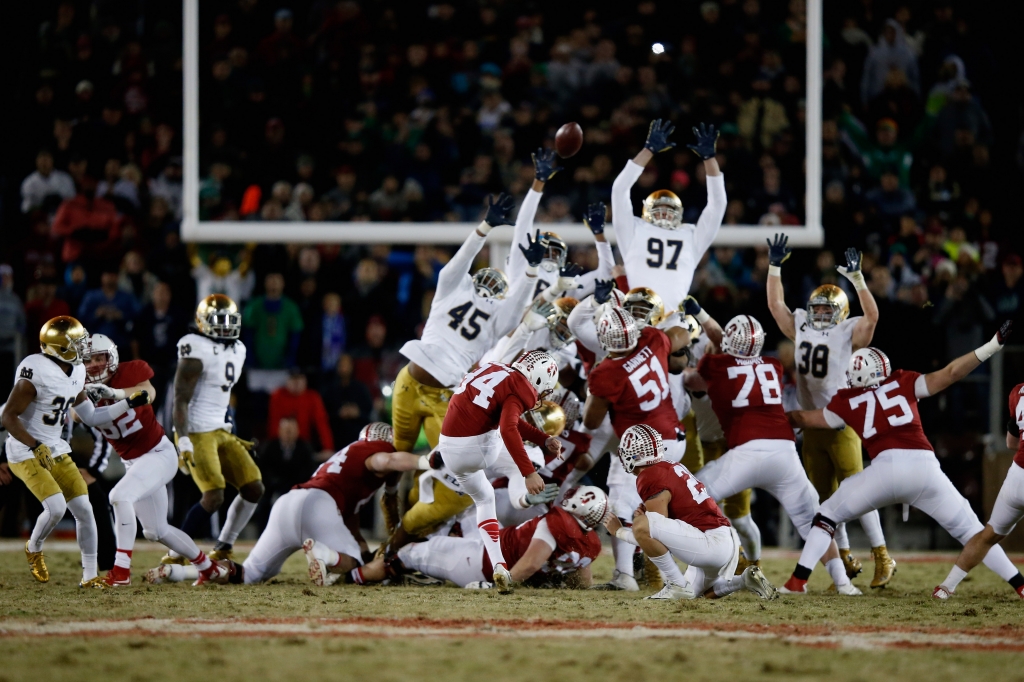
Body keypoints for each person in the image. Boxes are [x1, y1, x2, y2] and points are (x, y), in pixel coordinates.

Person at [782, 327, 1024, 598]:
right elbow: (951, 372)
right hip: (924, 468)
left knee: (827, 515)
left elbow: (803, 419)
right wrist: (991, 346)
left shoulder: (846, 400)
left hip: (885, 470)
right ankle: (1020, 585)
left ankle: (798, 580)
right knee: (975, 533)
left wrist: (773, 418)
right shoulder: (902, 381)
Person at [681, 300, 858, 595]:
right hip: (784, 452)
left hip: (746, 452)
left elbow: (693, 374)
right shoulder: (772, 366)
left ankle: (694, 573)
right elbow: (725, 342)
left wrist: (700, 320)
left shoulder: (717, 365)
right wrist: (702, 313)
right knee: (813, 520)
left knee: (693, 495)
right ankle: (843, 583)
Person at [765, 233, 894, 586]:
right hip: (812, 426)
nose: (821, 313)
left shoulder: (848, 330)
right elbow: (777, 307)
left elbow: (873, 316)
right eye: (818, 308)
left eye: (827, 309)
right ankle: (847, 553)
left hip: (840, 422)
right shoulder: (802, 324)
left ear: (840, 312)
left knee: (857, 490)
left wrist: (858, 279)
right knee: (825, 500)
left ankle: (882, 555)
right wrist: (774, 268)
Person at [148, 423, 422, 586]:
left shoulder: (346, 457)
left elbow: (350, 520)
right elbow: (386, 462)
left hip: (290, 502)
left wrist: (363, 550)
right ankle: (326, 556)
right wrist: (425, 460)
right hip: (319, 506)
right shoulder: (375, 452)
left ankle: (177, 572)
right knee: (352, 567)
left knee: (250, 575)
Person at [0, 316, 149, 588]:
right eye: (77, 342)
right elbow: (8, 417)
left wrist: (125, 404)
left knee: (84, 508)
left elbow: (90, 416)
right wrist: (35, 445)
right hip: (24, 448)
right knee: (56, 508)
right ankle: (34, 548)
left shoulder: (77, 370)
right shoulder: (35, 370)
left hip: (55, 447)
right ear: (59, 347)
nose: (83, 347)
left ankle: (89, 576)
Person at [391, 194, 537, 454]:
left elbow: (456, 265)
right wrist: (530, 272)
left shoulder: (453, 289)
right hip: (448, 386)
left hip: (414, 374)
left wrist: (484, 228)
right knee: (446, 464)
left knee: (402, 451)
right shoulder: (497, 314)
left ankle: (394, 489)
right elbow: (517, 308)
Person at [78, 334, 224, 586]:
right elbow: (79, 417)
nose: (93, 365)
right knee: (156, 531)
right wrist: (87, 400)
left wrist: (114, 393)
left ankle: (121, 572)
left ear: (110, 358)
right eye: (88, 360)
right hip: (133, 463)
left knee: (118, 496)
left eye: (99, 358)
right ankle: (208, 567)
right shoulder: (78, 386)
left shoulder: (130, 372)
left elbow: (148, 392)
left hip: (158, 453)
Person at [429, 350, 562, 593]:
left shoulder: (495, 368)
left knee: (485, 498)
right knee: (511, 442)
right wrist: (528, 472)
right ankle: (522, 473)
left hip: (449, 449)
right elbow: (509, 427)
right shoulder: (519, 387)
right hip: (478, 448)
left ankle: (499, 565)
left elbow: (508, 416)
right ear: (539, 379)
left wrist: (542, 439)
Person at [582, 306, 691, 590]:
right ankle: (653, 571)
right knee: (654, 510)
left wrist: (593, 391)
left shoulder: (606, 372)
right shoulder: (653, 338)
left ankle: (626, 575)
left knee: (621, 505)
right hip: (675, 436)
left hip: (644, 445)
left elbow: (591, 421)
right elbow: (681, 335)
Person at [607, 424, 779, 601]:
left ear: (634, 454)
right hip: (724, 539)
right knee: (700, 594)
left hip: (710, 542)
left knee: (642, 525)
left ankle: (675, 584)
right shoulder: (670, 466)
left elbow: (654, 535)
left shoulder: (649, 475)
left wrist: (619, 531)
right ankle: (744, 580)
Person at [357, 486, 607, 590]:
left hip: (483, 562)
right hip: (495, 544)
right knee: (472, 516)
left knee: (410, 551)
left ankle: (356, 575)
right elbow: (582, 579)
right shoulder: (591, 542)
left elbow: (530, 563)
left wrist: (501, 584)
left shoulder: (555, 524)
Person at [169, 294, 262, 564]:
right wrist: (183, 439)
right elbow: (180, 398)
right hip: (196, 430)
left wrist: (230, 425)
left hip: (221, 428)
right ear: (201, 322)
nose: (225, 327)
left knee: (254, 487)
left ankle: (224, 545)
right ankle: (176, 552)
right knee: (214, 496)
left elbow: (223, 394)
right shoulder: (195, 346)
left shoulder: (238, 349)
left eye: (229, 321)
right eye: (218, 321)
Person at [611, 120, 726, 312]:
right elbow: (619, 189)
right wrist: (647, 151)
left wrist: (709, 159)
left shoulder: (689, 235)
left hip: (672, 322)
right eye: (660, 207)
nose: (664, 213)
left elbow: (718, 205)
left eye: (668, 208)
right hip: (634, 317)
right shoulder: (633, 229)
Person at [934, 380, 1024, 599]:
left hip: (1018, 474)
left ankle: (946, 588)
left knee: (988, 536)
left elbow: (1012, 443)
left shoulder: (1017, 391)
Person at [508, 149, 613, 299]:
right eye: (546, 251)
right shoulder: (519, 266)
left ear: (564, 257)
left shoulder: (569, 281)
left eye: (555, 252)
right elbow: (522, 224)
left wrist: (600, 236)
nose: (550, 255)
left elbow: (607, 272)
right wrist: (539, 182)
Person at [266, 369, 334, 457]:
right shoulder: (278, 395)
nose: (296, 383)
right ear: (287, 380)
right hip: (282, 445)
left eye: (299, 379)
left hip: (305, 446)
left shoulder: (312, 397)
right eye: (293, 379)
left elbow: (322, 424)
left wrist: (328, 448)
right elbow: (274, 425)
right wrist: (274, 447)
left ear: (305, 380)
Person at [77, 268, 138, 349]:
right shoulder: (91, 296)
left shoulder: (126, 297)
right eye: (107, 275)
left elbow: (137, 317)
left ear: (117, 277)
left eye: (113, 275)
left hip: (121, 344)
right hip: (95, 344)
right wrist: (96, 314)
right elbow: (81, 318)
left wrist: (121, 316)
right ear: (102, 277)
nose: (110, 278)